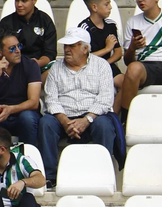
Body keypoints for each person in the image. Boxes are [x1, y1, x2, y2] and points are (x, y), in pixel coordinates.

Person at [38, 32, 120, 187]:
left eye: (72, 46)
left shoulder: (101, 65)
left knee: (104, 125)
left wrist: (87, 119)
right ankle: (50, 176)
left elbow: (105, 99)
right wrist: (64, 121)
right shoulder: (56, 68)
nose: (67, 50)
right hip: (63, 116)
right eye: (66, 46)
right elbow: (51, 99)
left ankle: (103, 174)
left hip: (92, 115)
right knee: (46, 123)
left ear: (85, 49)